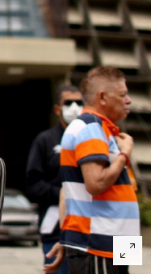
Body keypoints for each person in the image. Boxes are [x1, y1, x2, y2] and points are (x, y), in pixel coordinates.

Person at [46, 67, 139, 274]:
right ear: (103, 97)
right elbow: (95, 184)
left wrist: (66, 237)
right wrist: (125, 154)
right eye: (123, 95)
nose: (128, 100)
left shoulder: (102, 129)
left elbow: (68, 192)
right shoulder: (90, 128)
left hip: (116, 240)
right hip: (99, 241)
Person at [26, 85, 83, 274]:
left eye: (79, 102)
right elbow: (32, 185)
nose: (128, 102)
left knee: (122, 268)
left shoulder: (116, 140)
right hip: (58, 229)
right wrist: (65, 193)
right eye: (69, 102)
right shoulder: (45, 140)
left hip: (119, 231)